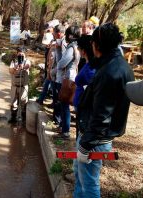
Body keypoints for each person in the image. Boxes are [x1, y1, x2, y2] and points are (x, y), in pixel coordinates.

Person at [74, 23, 134, 198]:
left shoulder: (109, 73)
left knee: (90, 183)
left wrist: (85, 146)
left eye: (92, 42)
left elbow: (102, 116)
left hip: (95, 139)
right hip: (95, 135)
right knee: (80, 176)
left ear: (97, 45)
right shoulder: (118, 63)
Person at [56, 25, 81, 139]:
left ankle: (65, 131)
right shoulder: (78, 47)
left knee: (64, 105)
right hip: (72, 76)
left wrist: (58, 61)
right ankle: (63, 127)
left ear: (70, 36)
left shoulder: (71, 48)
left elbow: (62, 63)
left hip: (68, 78)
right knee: (65, 104)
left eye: (66, 34)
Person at [8, 47, 31, 123]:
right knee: (13, 103)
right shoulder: (13, 61)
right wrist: (15, 68)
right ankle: (13, 118)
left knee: (24, 103)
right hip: (14, 86)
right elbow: (10, 71)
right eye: (19, 53)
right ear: (17, 53)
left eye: (22, 54)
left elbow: (28, 65)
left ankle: (24, 119)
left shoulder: (27, 61)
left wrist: (23, 67)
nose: (21, 55)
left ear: (25, 54)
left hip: (23, 87)